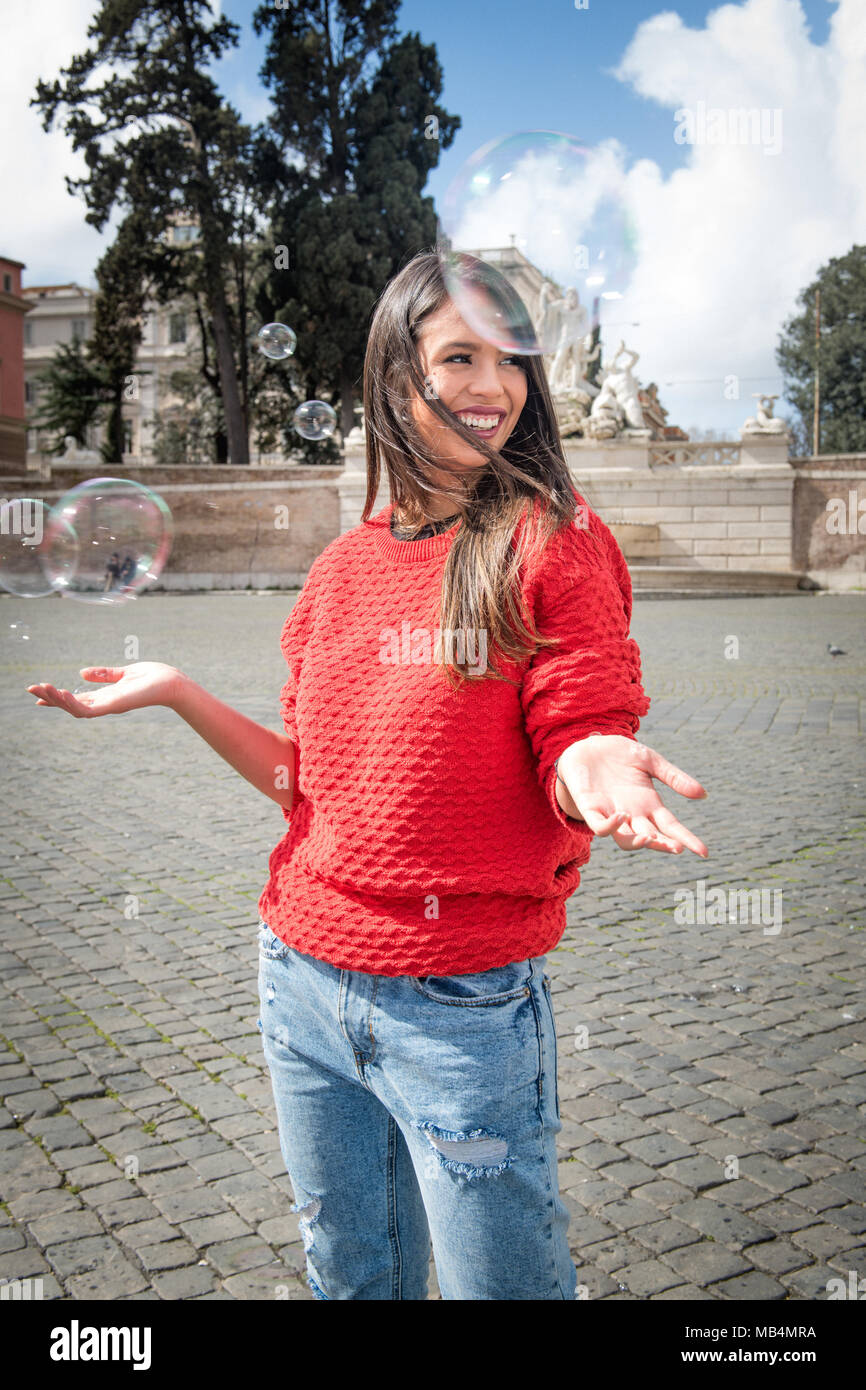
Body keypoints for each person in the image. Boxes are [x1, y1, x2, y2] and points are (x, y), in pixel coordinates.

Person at [26, 248, 709, 1302]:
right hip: (297, 980)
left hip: (460, 1007)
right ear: (396, 376)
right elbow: (307, 787)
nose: (493, 385)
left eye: (511, 361)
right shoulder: (340, 569)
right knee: (352, 1278)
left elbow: (577, 711)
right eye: (458, 356)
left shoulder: (553, 541)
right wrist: (177, 689)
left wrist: (594, 760)